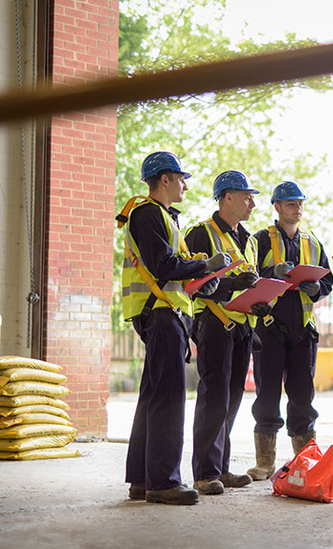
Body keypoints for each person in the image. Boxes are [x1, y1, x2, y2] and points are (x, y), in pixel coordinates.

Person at [120, 151, 232, 505]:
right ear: (164, 179)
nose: (185, 184)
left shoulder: (164, 217)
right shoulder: (148, 213)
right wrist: (204, 265)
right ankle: (164, 482)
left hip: (163, 313)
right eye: (181, 178)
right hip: (161, 315)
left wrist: (203, 278)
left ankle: (141, 479)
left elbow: (171, 267)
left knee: (154, 396)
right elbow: (163, 264)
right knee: (169, 399)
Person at [185, 170, 270, 496]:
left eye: (253, 196)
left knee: (232, 400)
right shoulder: (201, 235)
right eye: (246, 195)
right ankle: (204, 473)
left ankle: (220, 467)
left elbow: (252, 282)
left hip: (243, 328)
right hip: (214, 326)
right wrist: (234, 286)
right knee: (214, 399)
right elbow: (194, 285)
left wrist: (259, 302)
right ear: (226, 197)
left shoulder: (249, 240)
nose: (252, 202)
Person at [246, 181, 333, 480]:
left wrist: (316, 287)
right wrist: (272, 273)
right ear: (277, 207)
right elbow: (248, 277)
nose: (297, 209)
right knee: (267, 395)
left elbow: (328, 281)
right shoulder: (258, 240)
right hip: (270, 329)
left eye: (299, 203)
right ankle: (265, 463)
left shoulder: (313, 242)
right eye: (290, 204)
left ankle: (305, 461)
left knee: (302, 398)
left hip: (303, 332)